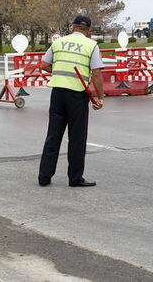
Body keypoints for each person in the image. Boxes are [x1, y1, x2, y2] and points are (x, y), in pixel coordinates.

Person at [38, 15, 105, 188]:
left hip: (57, 93)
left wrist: (59, 69)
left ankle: (44, 177)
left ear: (73, 27)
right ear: (88, 30)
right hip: (77, 94)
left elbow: (44, 65)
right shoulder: (91, 45)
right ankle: (75, 178)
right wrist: (100, 97)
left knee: (53, 135)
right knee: (77, 137)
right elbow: (97, 74)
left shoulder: (58, 42)